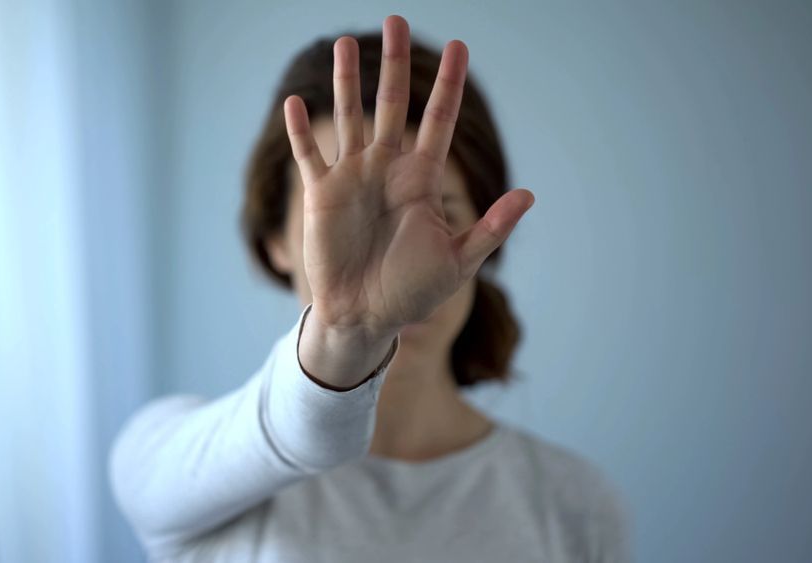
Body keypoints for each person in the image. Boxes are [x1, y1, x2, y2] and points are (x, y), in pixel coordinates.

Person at [110, 14, 629, 562]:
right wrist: (346, 333)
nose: (390, 260)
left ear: (487, 237)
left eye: (437, 215)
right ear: (275, 243)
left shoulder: (576, 504)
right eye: (347, 219)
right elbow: (303, 433)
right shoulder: (174, 465)